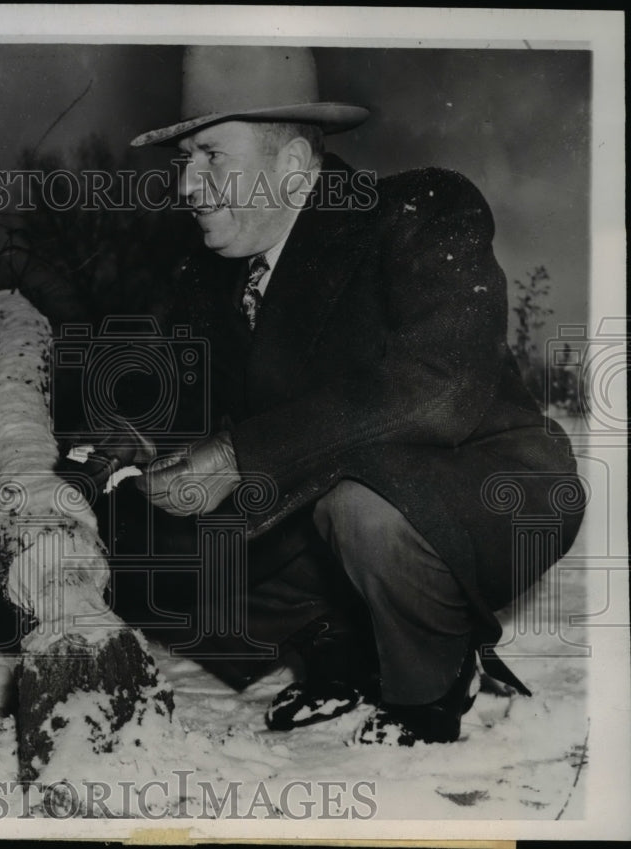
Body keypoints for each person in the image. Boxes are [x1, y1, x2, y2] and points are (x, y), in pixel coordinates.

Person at [116, 45, 585, 745]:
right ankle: (343, 650)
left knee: (358, 504)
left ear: (296, 168)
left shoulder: (422, 209)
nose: (187, 187)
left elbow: (443, 389)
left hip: (486, 496)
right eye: (182, 162)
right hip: (331, 506)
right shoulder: (208, 280)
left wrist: (240, 454)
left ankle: (431, 684)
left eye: (212, 156)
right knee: (135, 542)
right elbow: (194, 418)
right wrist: (140, 449)